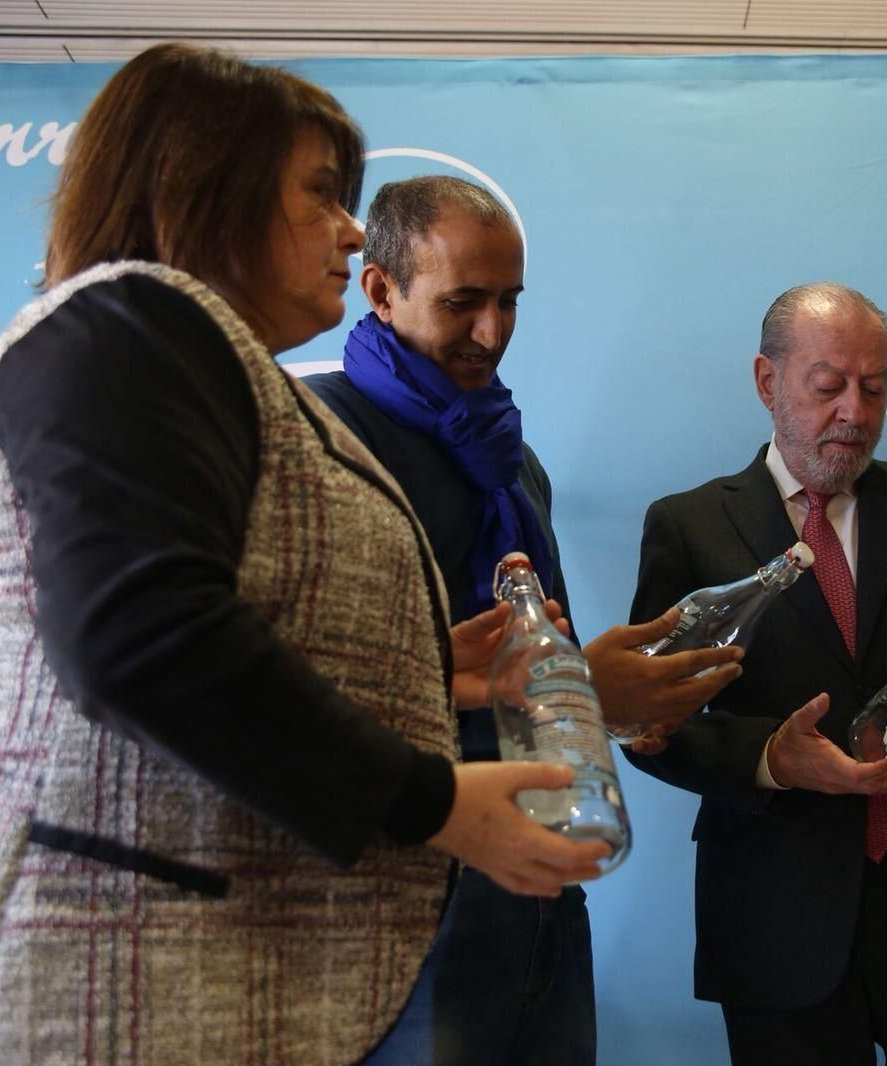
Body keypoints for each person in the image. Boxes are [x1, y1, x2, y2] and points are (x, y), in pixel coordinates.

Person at [0, 44, 609, 1063]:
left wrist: (422, 673)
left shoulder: (218, 368)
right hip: (127, 962)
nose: (351, 226)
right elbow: (136, 634)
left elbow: (213, 614)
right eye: (320, 193)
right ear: (206, 184)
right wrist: (435, 797)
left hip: (234, 956)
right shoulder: (129, 319)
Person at [304, 175, 742, 1064]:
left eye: (509, 302)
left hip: (545, 886)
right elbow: (286, 697)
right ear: (380, 289)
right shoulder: (316, 443)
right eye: (464, 302)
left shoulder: (515, 460)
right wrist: (575, 680)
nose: (492, 334)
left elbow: (540, 671)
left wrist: (610, 701)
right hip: (405, 902)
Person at [627, 282, 887, 1066]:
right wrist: (768, 759)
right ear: (768, 382)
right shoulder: (686, 526)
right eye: (828, 387)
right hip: (776, 915)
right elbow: (652, 725)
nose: (854, 412)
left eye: (875, 387)